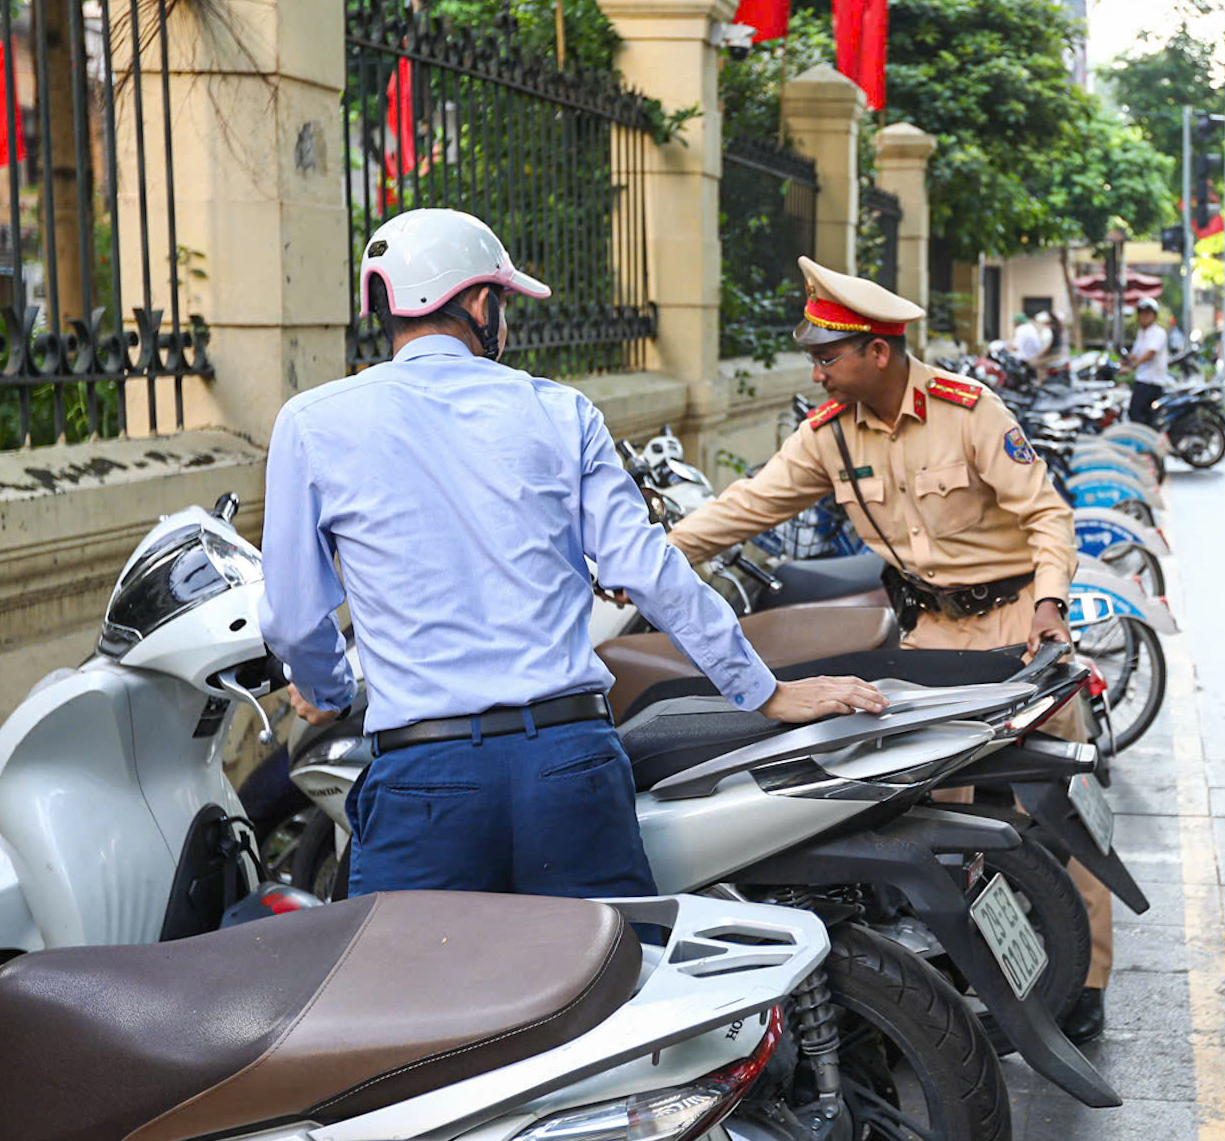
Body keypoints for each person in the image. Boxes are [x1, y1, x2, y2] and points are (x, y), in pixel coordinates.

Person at [258, 209, 885, 900]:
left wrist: (326, 691)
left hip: (424, 781)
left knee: (419, 1001)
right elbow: (649, 572)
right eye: (501, 301)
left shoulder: (312, 424)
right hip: (568, 764)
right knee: (617, 996)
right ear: (475, 303)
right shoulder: (560, 411)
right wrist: (764, 691)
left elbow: (292, 620)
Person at [663, 256, 1115, 1043]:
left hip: (1018, 627)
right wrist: (646, 562)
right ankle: (966, 970)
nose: (816, 369)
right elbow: (744, 507)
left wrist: (1050, 602)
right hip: (930, 637)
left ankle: (1086, 978)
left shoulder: (966, 410)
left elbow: (1044, 513)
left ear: (878, 350)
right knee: (935, 816)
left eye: (827, 355)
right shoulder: (827, 437)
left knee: (1057, 809)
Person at [1125, 297, 1169, 423]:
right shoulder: (1141, 333)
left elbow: (1150, 353)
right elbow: (1135, 354)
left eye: (1148, 314)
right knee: (1137, 415)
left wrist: (1131, 366)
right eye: (1142, 313)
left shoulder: (1158, 333)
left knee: (1136, 414)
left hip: (1152, 383)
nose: (1144, 316)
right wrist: (1121, 363)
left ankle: (1146, 440)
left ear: (1154, 316)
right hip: (1142, 380)